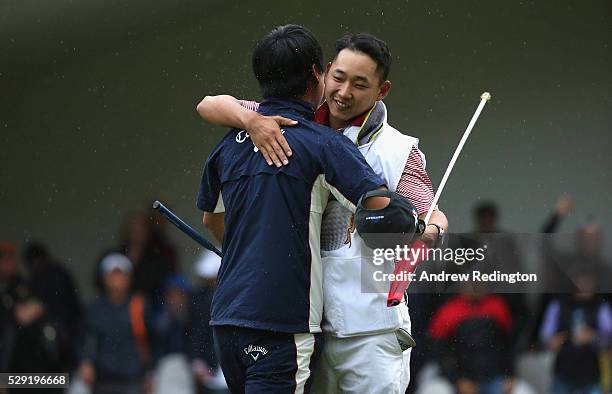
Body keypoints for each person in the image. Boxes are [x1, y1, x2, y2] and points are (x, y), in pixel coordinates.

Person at [196, 33, 448, 393]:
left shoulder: (400, 150)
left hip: (367, 328)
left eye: (360, 84)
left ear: (382, 90)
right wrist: (251, 121)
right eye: (339, 77)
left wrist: (429, 232)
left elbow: (426, 218)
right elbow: (209, 104)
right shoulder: (275, 121)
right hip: (301, 323)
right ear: (322, 73)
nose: (344, 92)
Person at [79, 252, 155, 394]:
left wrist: (150, 373)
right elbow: (87, 340)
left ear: (129, 278)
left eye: (121, 274)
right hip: (103, 382)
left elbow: (152, 341)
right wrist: (85, 362)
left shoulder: (140, 306)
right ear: (104, 278)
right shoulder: (94, 308)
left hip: (134, 381)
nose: (116, 279)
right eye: (112, 274)